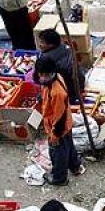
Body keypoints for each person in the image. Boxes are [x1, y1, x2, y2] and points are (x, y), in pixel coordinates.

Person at [36, 57, 85, 186]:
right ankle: (75, 166)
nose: (43, 77)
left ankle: (59, 178)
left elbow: (60, 117)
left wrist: (55, 135)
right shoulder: (55, 79)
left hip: (58, 127)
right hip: (64, 125)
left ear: (52, 72)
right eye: (41, 74)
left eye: (46, 75)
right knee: (68, 146)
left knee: (58, 153)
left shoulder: (57, 92)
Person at [37, 28, 83, 104]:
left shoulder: (46, 59)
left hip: (66, 92)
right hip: (79, 84)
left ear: (51, 45)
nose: (40, 45)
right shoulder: (66, 47)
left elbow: (45, 80)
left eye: (42, 42)